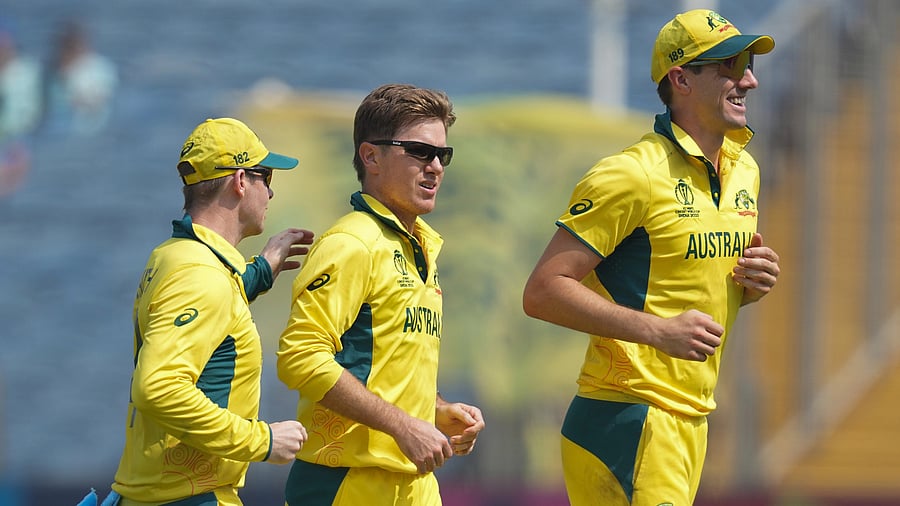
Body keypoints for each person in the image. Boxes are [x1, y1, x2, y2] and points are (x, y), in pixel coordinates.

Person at [522, 9, 781, 506]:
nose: (749, 79)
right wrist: (658, 331)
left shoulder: (744, 168)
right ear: (681, 78)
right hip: (628, 415)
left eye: (748, 63)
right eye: (730, 65)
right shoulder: (630, 173)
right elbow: (542, 291)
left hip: (688, 417)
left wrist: (750, 285)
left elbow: (685, 285)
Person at [277, 83, 485, 506]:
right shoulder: (351, 243)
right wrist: (402, 426)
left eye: (442, 155)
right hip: (346, 483)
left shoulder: (423, 245)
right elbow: (300, 357)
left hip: (415, 485)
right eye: (419, 152)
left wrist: (435, 409)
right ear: (370, 156)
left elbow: (382, 369)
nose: (435, 167)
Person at [107, 117, 313, 506]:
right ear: (239, 180)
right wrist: (263, 441)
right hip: (187, 496)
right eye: (265, 177)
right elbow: (159, 388)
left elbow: (212, 316)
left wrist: (259, 274)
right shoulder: (200, 274)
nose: (270, 192)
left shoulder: (174, 255)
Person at [44, 19, 117, 136]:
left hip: (91, 131)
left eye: (73, 44)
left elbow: (101, 101)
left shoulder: (100, 68)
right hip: (56, 132)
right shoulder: (50, 72)